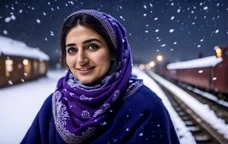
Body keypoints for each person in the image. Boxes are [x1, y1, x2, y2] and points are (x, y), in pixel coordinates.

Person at [21, 9, 180, 144]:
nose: (81, 60)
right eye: (72, 50)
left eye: (92, 46)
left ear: (113, 51)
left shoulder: (146, 108)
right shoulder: (54, 105)